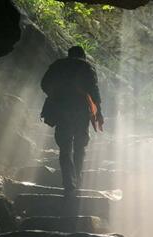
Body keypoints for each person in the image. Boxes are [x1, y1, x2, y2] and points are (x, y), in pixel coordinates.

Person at [40, 45, 103, 197]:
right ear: (83, 55)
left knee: (65, 147)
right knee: (80, 146)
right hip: (81, 111)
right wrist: (99, 113)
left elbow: (44, 84)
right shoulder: (86, 67)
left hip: (61, 110)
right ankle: (78, 179)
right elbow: (94, 91)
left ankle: (69, 183)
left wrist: (56, 95)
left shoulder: (57, 65)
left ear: (69, 55)